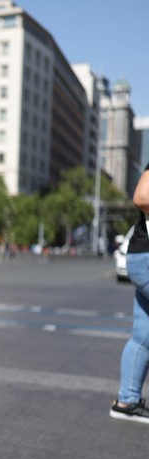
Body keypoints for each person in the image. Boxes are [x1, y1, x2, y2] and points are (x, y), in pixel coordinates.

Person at [111, 162, 149, 424]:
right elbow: (141, 196)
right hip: (147, 256)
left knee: (143, 336)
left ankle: (127, 401)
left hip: (142, 256)